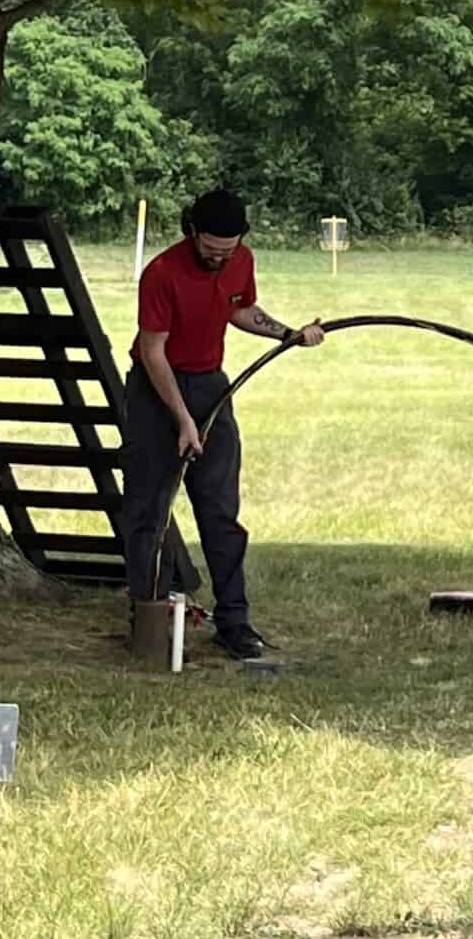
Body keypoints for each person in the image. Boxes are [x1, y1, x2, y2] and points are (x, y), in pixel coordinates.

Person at [121, 188, 324, 660]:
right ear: (191, 231)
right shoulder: (161, 273)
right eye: (211, 249)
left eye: (227, 251)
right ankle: (149, 621)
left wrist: (289, 334)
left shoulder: (241, 260)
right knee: (148, 510)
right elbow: (153, 352)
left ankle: (234, 621)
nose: (219, 258)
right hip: (157, 391)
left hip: (212, 386)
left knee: (220, 512)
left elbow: (240, 309)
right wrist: (184, 421)